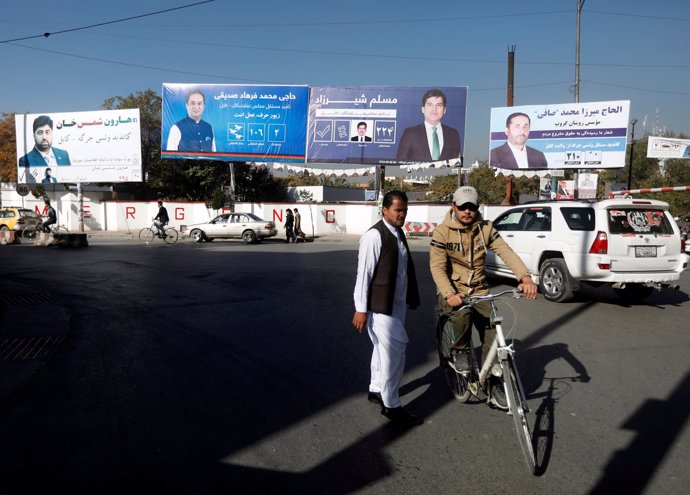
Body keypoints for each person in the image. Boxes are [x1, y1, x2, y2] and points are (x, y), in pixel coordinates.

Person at [429, 186, 537, 410]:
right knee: (462, 314)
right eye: (462, 207)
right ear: (454, 207)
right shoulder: (442, 232)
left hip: (479, 291)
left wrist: (525, 277)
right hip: (452, 290)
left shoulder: (486, 228)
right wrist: (450, 294)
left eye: (471, 207)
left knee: (493, 328)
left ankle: (493, 381)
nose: (467, 211)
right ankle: (459, 350)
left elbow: (505, 251)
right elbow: (437, 268)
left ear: (477, 208)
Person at [352, 190, 422, 426]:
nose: (402, 214)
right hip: (380, 308)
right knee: (394, 353)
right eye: (398, 210)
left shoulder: (398, 232)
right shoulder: (374, 235)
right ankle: (391, 405)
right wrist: (360, 309)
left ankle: (375, 388)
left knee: (381, 349)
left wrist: (410, 295)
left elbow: (403, 269)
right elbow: (364, 275)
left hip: (396, 304)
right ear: (384, 209)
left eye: (405, 210)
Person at [396, 89, 461, 163]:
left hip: (444, 175)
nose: (434, 109)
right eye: (430, 104)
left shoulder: (453, 134)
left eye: (439, 105)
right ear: (423, 109)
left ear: (444, 110)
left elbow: (456, 162)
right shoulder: (410, 133)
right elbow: (399, 162)